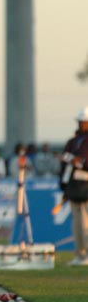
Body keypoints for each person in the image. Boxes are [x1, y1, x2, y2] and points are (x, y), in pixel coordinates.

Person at [59, 106, 88, 266]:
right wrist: (64, 186)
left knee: (86, 222)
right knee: (77, 222)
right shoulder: (73, 141)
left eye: (83, 122)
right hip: (75, 187)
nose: (81, 124)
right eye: (80, 122)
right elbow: (65, 164)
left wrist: (81, 162)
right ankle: (80, 253)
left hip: (86, 185)